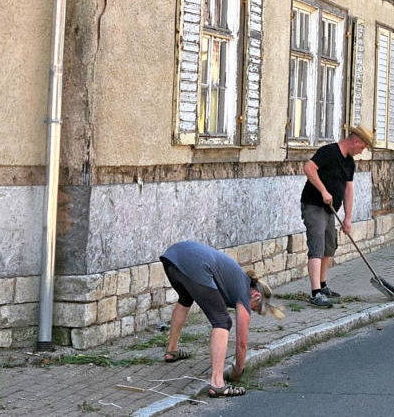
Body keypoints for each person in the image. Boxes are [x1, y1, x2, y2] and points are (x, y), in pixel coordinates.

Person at [159, 241, 284, 398]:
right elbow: (242, 343)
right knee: (223, 321)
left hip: (173, 257)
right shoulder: (244, 293)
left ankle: (172, 350)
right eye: (254, 308)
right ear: (256, 296)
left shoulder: (238, 280)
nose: (249, 311)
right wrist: (237, 371)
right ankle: (218, 383)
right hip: (194, 264)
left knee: (185, 299)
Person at [300, 124, 374, 308]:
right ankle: (315, 292)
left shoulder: (349, 162)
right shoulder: (328, 152)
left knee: (330, 245)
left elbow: (349, 189)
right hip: (314, 205)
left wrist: (348, 217)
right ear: (356, 141)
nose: (361, 152)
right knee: (317, 245)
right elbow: (309, 168)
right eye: (362, 147)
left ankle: (323, 285)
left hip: (330, 209)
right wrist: (323, 191)